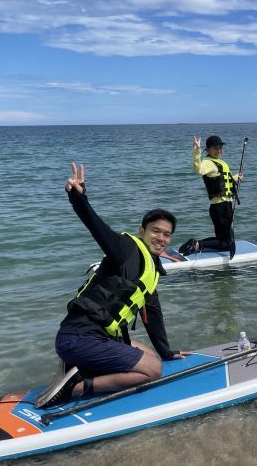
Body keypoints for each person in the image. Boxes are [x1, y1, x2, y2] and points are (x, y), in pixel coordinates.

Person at [35, 163, 187, 409]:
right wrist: (78, 197)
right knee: (153, 370)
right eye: (155, 231)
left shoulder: (151, 270)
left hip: (95, 337)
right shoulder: (126, 249)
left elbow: (154, 315)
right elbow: (97, 227)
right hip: (78, 338)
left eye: (167, 234)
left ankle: (78, 368)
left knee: (152, 355)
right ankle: (75, 387)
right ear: (142, 231)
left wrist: (167, 351)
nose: (161, 238)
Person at [178, 135, 243, 258]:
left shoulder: (221, 162)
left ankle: (196, 244)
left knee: (222, 239)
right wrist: (196, 151)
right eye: (215, 148)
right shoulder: (208, 163)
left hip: (225, 205)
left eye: (220, 148)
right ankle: (198, 244)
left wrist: (236, 178)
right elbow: (198, 170)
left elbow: (224, 182)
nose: (219, 150)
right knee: (226, 244)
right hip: (220, 207)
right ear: (207, 149)